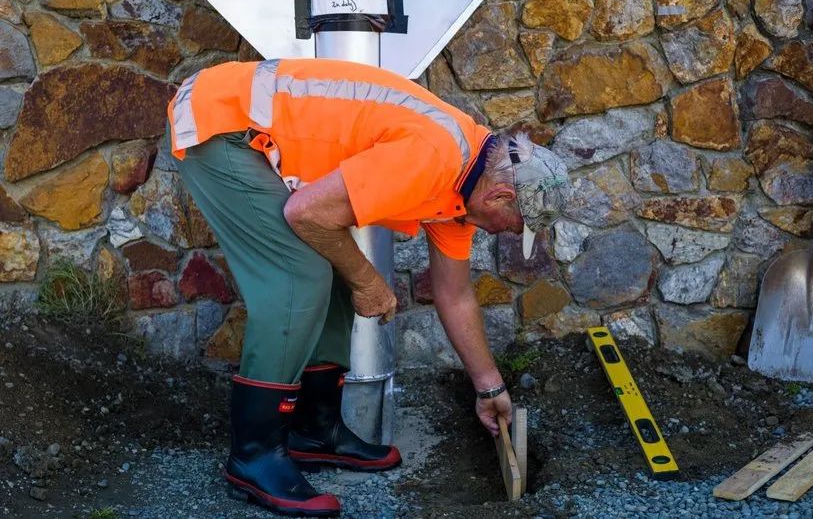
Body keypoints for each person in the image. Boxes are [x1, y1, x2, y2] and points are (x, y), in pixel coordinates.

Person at [165, 58, 570, 517]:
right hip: (223, 125)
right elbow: (307, 214)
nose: (510, 234)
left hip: (245, 126)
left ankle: (314, 431)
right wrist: (369, 282)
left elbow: (454, 294)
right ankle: (253, 456)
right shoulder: (434, 158)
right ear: (502, 198)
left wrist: (488, 387)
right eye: (517, 225)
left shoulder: (465, 190)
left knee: (334, 263)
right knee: (301, 276)